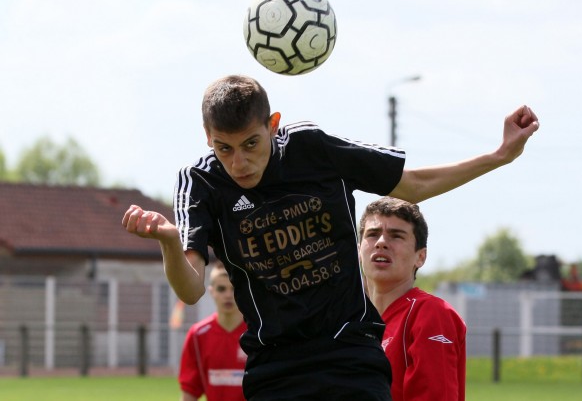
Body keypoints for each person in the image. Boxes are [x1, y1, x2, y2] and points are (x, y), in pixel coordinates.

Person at [122, 74, 538, 400]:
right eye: (224, 148)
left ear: (273, 125)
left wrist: (498, 155)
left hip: (348, 355)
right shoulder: (200, 183)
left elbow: (412, 185)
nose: (239, 162)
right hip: (274, 368)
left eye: (251, 143)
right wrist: (170, 243)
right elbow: (192, 289)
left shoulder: (312, 148)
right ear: (206, 137)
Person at [359, 197, 466, 401]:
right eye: (372, 234)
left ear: (421, 257)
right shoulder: (349, 320)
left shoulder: (430, 313)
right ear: (358, 250)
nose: (381, 242)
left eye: (396, 236)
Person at [179, 262, 247, 401]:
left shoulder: (258, 332)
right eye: (221, 289)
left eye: (233, 288)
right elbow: (190, 390)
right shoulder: (198, 335)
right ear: (212, 292)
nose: (228, 295)